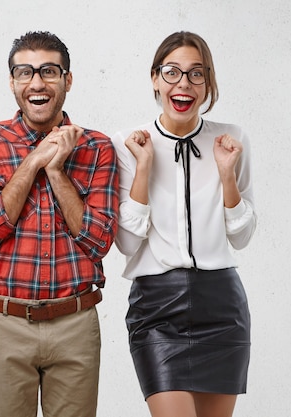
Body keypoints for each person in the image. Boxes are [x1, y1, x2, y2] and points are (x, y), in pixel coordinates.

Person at [0, 31, 119, 417]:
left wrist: (55, 170)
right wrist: (33, 161)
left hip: (75, 325)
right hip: (4, 323)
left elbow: (99, 241)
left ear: (67, 80)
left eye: (49, 71)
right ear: (12, 81)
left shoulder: (97, 147)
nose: (37, 83)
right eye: (25, 72)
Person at [111, 31, 257, 417]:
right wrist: (143, 167)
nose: (183, 84)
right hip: (156, 308)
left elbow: (241, 236)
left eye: (196, 74)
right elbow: (126, 242)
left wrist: (227, 175)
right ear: (155, 78)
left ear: (208, 82)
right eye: (172, 72)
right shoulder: (127, 143)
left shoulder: (231, 140)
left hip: (222, 305)